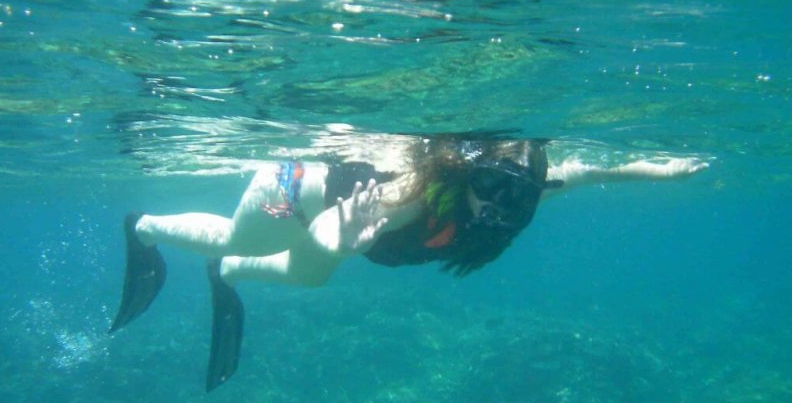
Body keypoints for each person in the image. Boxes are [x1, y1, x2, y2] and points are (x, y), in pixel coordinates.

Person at [108, 134, 708, 391]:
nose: (496, 207)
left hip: (343, 228)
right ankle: (145, 229)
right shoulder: (412, 196)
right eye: (490, 186)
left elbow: (594, 170)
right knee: (270, 254)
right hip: (289, 194)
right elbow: (320, 238)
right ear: (465, 171)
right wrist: (333, 236)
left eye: (515, 196)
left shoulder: (525, 190)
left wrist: (662, 170)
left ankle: (228, 272)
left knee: (285, 268)